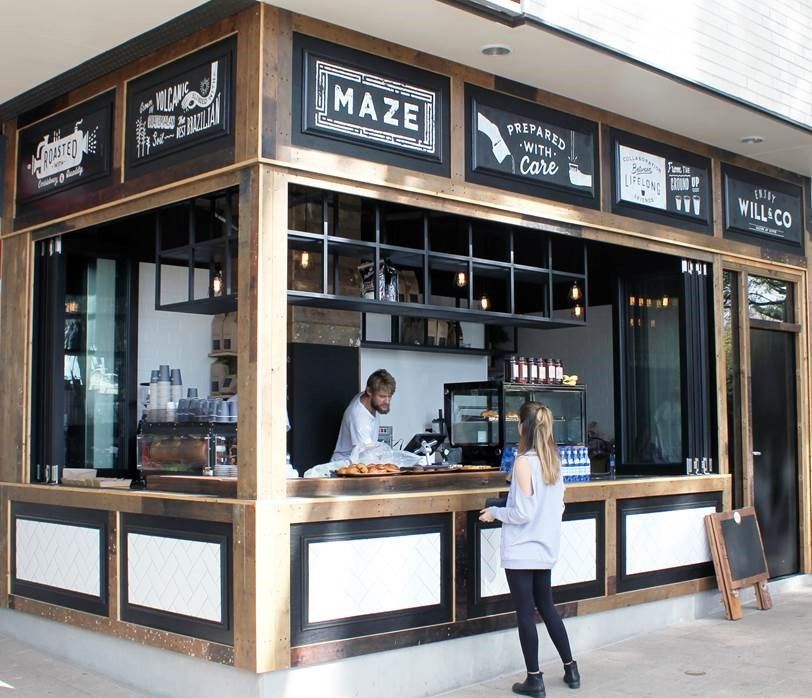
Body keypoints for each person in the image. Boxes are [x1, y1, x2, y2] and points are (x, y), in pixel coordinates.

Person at [479, 401, 580, 696]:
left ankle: (534, 679)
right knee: (547, 607)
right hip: (545, 547)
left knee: (525, 612)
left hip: (522, 549)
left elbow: (522, 513)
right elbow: (556, 506)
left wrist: (494, 513)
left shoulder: (523, 462)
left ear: (522, 427)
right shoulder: (553, 462)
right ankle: (570, 668)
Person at [331, 369, 396, 461]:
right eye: (382, 396)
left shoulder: (366, 398)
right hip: (345, 467)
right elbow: (367, 457)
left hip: (358, 463)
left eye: (389, 396)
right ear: (369, 391)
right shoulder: (359, 417)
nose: (387, 401)